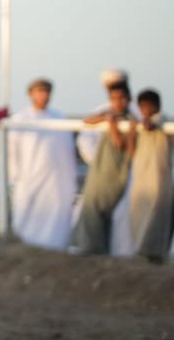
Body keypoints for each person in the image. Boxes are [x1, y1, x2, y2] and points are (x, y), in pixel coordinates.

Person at [6, 78, 78, 250]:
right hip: (30, 178)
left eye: (46, 92)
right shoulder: (21, 119)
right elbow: (12, 151)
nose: (43, 95)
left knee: (57, 216)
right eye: (39, 91)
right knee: (29, 216)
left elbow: (68, 150)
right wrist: (14, 177)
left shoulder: (59, 118)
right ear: (31, 94)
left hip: (56, 181)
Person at [70, 75, 136, 254]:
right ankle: (89, 247)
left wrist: (112, 126)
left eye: (121, 98)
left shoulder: (132, 118)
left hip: (119, 171)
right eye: (113, 99)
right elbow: (87, 122)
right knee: (91, 207)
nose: (117, 102)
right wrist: (106, 119)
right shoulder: (106, 112)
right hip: (101, 169)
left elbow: (122, 145)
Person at [126, 89, 171, 263]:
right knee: (139, 215)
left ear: (157, 106)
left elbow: (151, 125)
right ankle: (142, 253)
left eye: (149, 106)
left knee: (157, 215)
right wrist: (132, 131)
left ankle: (155, 255)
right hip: (141, 178)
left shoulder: (162, 119)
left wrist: (141, 122)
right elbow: (131, 152)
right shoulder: (139, 125)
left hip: (159, 179)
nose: (146, 110)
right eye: (143, 106)